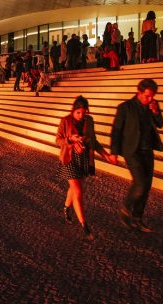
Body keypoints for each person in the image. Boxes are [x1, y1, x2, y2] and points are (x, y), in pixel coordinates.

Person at [108, 79, 163, 233]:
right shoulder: (125, 107)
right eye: (147, 96)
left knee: (146, 187)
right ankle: (126, 208)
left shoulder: (153, 105)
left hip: (147, 150)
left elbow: (160, 123)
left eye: (152, 96)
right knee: (140, 184)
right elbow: (116, 130)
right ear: (139, 93)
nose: (150, 99)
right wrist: (114, 152)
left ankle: (138, 218)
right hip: (132, 151)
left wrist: (156, 111)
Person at [56, 96, 116, 240]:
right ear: (73, 110)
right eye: (78, 113)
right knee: (78, 190)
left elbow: (94, 141)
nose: (81, 115)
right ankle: (85, 226)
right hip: (69, 159)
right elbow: (58, 140)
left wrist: (106, 155)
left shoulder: (89, 121)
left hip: (84, 159)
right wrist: (70, 140)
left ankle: (66, 207)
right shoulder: (65, 121)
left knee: (74, 188)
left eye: (84, 113)